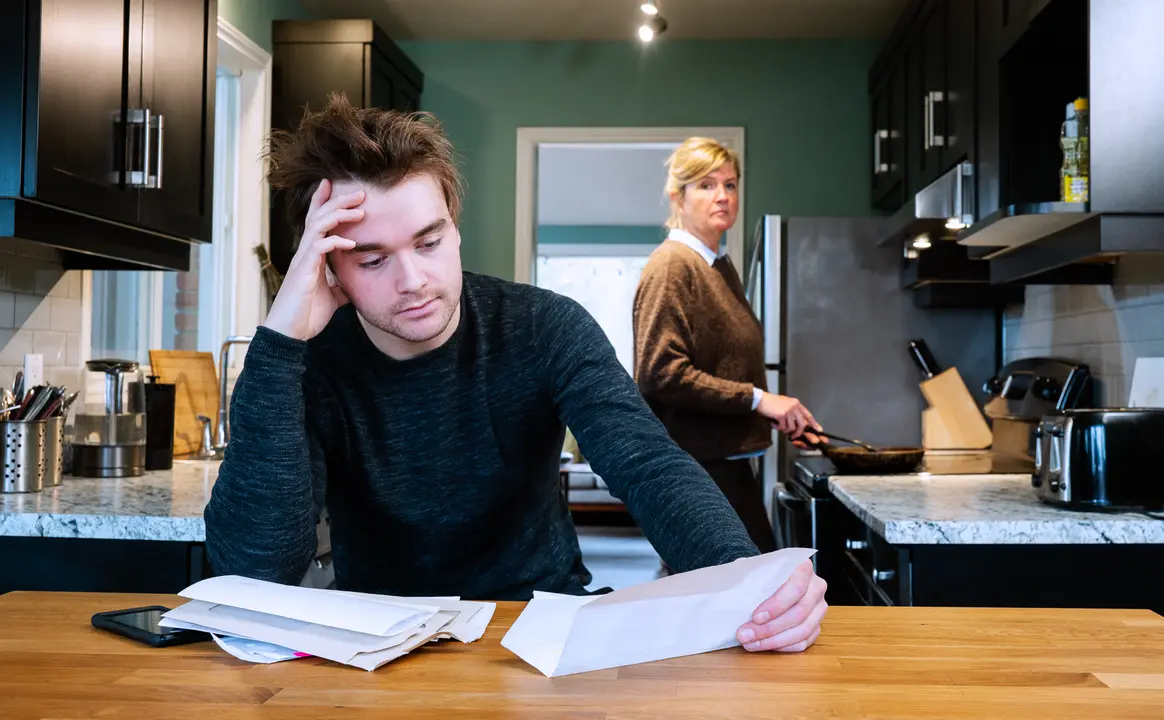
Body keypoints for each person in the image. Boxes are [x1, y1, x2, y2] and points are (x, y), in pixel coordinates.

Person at [203, 96, 827, 654]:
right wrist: (280, 341)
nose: (414, 280)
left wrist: (753, 584)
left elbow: (647, 463)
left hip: (542, 624)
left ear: (454, 222)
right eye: (372, 259)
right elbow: (256, 570)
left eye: (429, 241)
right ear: (331, 269)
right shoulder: (307, 361)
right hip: (379, 639)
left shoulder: (544, 327)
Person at [632, 137, 822, 554]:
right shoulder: (673, 267)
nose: (722, 196)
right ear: (677, 196)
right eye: (706, 184)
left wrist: (773, 412)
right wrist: (758, 401)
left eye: (730, 185)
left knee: (753, 599)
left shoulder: (716, 267)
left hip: (723, 466)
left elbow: (723, 366)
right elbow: (660, 373)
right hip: (697, 472)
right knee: (757, 597)